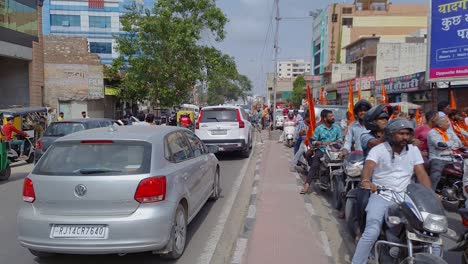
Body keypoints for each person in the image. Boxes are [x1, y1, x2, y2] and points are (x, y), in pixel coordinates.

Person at [352, 118, 432, 264]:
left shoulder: (413, 151)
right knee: (372, 230)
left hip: (406, 198)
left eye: (408, 134)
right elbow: (368, 166)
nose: (405, 137)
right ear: (390, 134)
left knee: (430, 232)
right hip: (382, 195)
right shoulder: (378, 150)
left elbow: (421, 173)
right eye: (401, 134)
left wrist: (430, 194)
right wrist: (366, 181)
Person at [301, 110, 342, 194]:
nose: (332, 117)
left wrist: (337, 142)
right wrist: (321, 143)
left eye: (332, 116)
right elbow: (313, 140)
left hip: (334, 151)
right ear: (325, 118)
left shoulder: (337, 127)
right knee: (315, 164)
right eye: (330, 116)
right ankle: (307, 185)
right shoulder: (319, 128)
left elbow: (340, 139)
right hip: (322, 150)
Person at [427, 116, 464, 190]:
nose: (449, 123)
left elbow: (459, 144)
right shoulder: (432, 132)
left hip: (451, 157)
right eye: (446, 122)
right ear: (440, 125)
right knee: (436, 174)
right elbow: (440, 145)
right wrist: (452, 143)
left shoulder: (449, 131)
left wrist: (448, 144)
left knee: (464, 170)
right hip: (438, 158)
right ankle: (431, 192)